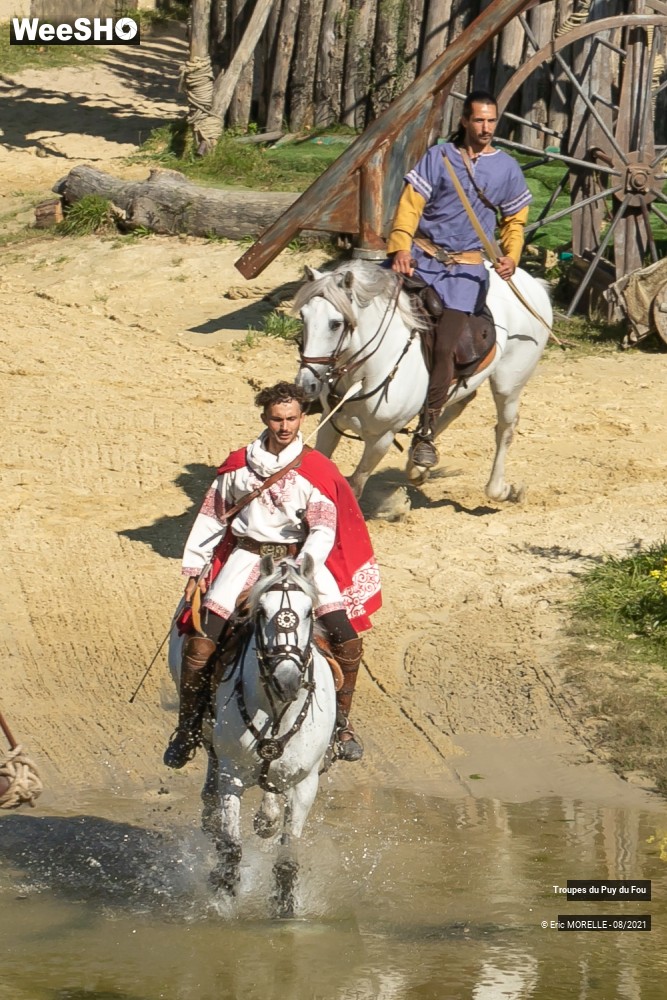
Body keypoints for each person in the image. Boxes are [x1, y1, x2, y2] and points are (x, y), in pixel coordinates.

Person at [164, 381, 382, 769]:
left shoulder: (315, 470)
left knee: (346, 639)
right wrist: (196, 567)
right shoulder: (237, 467)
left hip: (301, 562)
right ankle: (189, 728)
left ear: (302, 418)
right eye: (278, 419)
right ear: (265, 418)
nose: (285, 427)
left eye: (292, 419)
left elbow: (323, 526)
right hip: (246, 561)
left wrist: (306, 565)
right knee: (200, 644)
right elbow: (213, 516)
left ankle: (341, 725)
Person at [387, 89, 533, 467]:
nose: (486, 128)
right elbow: (409, 207)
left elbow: (514, 222)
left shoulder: (506, 169)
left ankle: (426, 431)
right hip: (420, 259)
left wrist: (510, 257)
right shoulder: (439, 157)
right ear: (464, 121)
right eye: (479, 120)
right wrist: (400, 247)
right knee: (367, 311)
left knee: (443, 346)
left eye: (491, 121)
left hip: (465, 273)